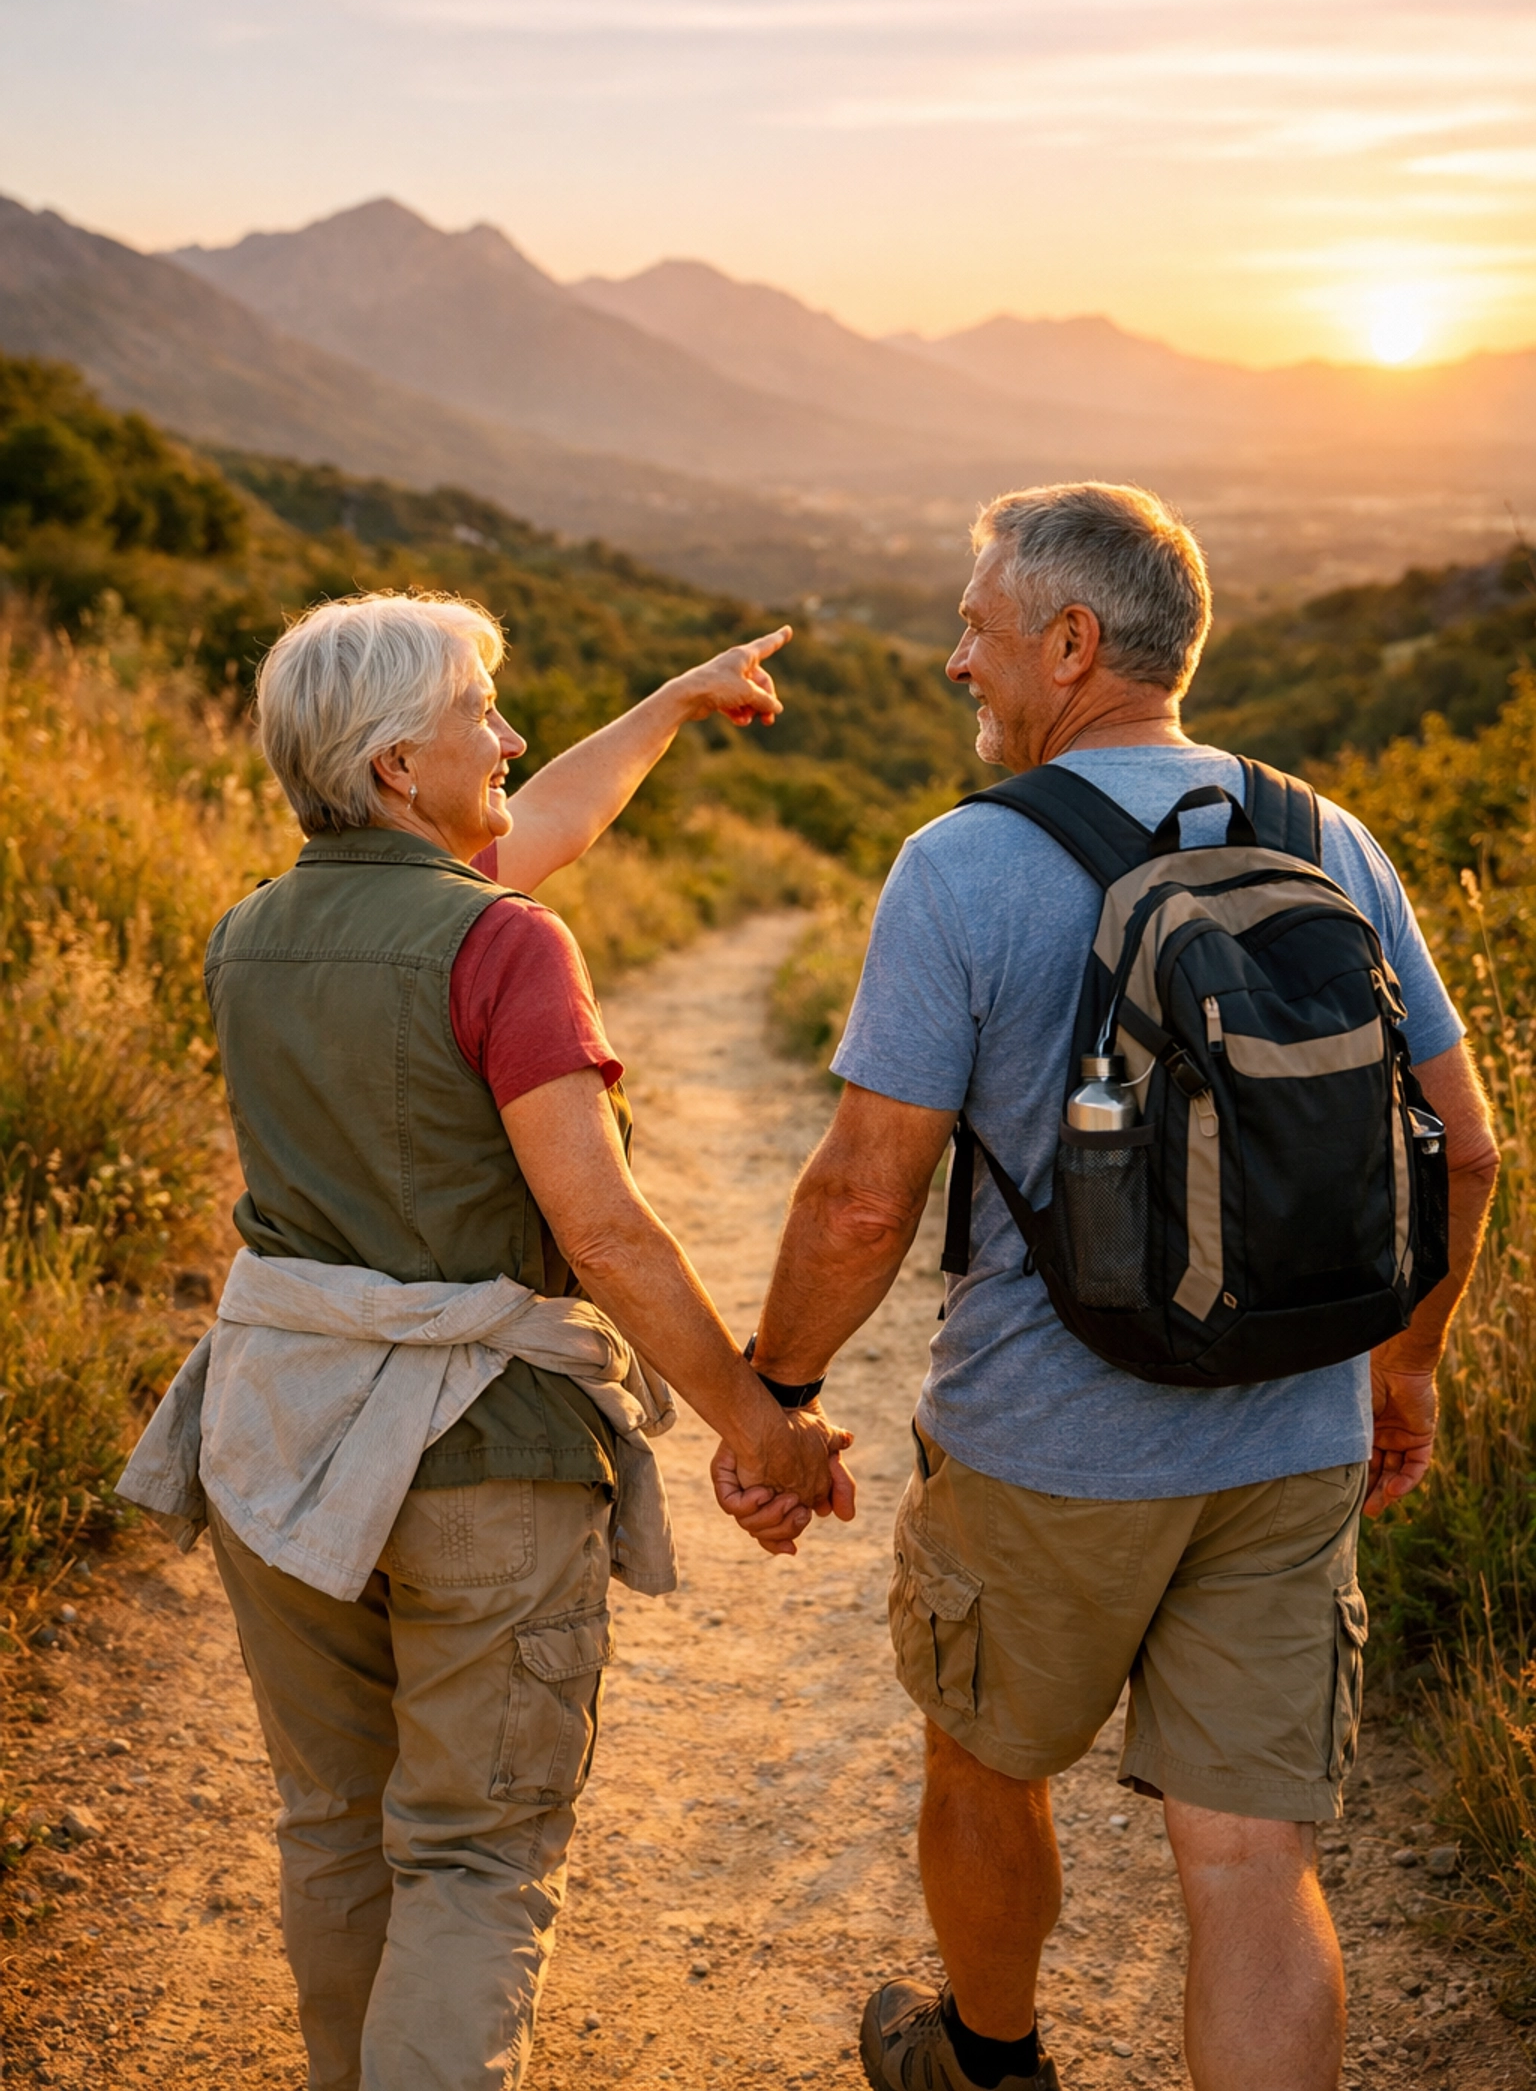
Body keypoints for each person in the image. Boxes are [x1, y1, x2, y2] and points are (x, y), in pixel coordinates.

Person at [714, 484, 1499, 2091]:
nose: (955, 662)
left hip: (1042, 1449)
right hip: (1289, 1441)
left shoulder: (962, 867)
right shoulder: (1327, 836)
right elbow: (1467, 1150)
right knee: (1250, 1864)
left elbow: (866, 1198)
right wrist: (1401, 1374)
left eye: (976, 627)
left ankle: (988, 2067)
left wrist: (774, 1396)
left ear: (1071, 645)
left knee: (989, 1766)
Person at [120, 589, 851, 2091]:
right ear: (399, 767)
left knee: (336, 1829)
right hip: (483, 1464)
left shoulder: (246, 937)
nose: (508, 737)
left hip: (277, 1441)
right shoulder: (505, 947)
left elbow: (531, 827)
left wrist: (670, 703)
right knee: (470, 1858)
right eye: (480, 717)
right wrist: (758, 1422)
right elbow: (606, 1234)